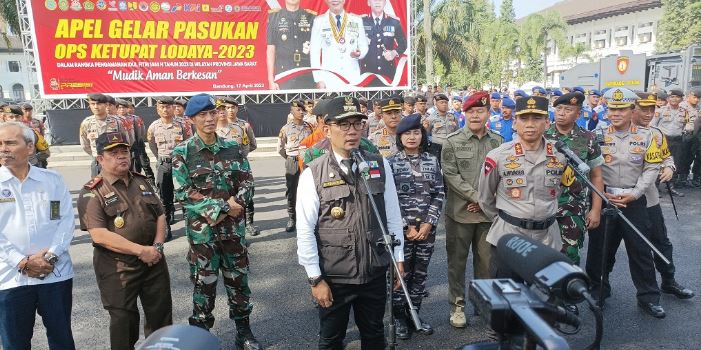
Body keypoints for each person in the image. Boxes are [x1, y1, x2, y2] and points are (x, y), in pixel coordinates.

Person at [296, 95, 404, 349]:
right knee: (332, 339)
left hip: (374, 271)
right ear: (327, 129)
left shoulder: (379, 164)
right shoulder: (314, 172)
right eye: (344, 125)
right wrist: (315, 278)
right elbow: (305, 231)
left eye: (357, 124)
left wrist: (398, 257)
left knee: (374, 334)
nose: (352, 131)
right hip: (335, 276)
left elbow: (393, 215)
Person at [171, 94, 261, 349]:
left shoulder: (232, 147)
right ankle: (200, 337)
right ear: (192, 119)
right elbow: (183, 192)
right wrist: (222, 208)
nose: (210, 118)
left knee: (239, 283)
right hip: (204, 237)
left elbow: (247, 182)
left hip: (233, 232)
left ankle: (244, 333)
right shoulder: (182, 153)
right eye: (203, 115)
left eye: (213, 113)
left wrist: (237, 205)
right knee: (204, 286)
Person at [77, 132, 172, 350]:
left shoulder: (141, 181)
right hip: (118, 266)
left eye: (124, 151)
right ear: (100, 158)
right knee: (124, 322)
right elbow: (99, 234)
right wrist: (141, 251)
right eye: (114, 153)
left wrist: (156, 247)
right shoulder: (92, 191)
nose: (122, 157)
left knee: (161, 318)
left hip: (153, 260)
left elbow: (159, 214)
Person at [584, 88, 666, 318]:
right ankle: (598, 291)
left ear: (632, 110)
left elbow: (652, 168)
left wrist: (636, 193)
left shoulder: (648, 136)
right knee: (600, 249)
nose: (616, 113)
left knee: (640, 249)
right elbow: (592, 170)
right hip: (605, 200)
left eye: (621, 109)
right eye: (612, 109)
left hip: (634, 200)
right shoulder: (596, 134)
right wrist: (600, 197)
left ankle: (649, 297)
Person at [0, 122, 76, 350]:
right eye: (0, 144)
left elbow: (65, 221)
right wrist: (22, 262)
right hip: (10, 278)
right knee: (15, 343)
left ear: (30, 147)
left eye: (11, 143)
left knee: (61, 339)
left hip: (55, 274)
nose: (3, 149)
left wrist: (50, 256)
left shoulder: (52, 180)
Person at [478, 96, 568, 274]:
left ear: (547, 123)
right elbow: (485, 198)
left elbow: (558, 191)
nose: (530, 124)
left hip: (547, 239)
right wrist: (508, 219)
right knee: (507, 296)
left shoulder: (560, 156)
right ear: (514, 123)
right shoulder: (498, 156)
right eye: (524, 118)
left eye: (537, 118)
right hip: (509, 237)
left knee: (544, 298)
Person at [442, 91, 503, 328]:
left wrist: (485, 201)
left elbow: (504, 175)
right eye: (471, 111)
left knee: (487, 264)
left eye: (480, 111)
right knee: (456, 264)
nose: (475, 115)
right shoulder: (452, 141)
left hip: (488, 216)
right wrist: (479, 197)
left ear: (488, 113)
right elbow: (451, 175)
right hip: (459, 214)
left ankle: (483, 303)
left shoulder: (498, 142)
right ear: (464, 113)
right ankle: (457, 307)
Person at [632, 92, 694, 300]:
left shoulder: (657, 133)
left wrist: (670, 168)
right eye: (644, 109)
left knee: (661, 242)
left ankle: (668, 281)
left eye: (652, 109)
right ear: (632, 109)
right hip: (621, 200)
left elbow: (666, 156)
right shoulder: (612, 133)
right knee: (621, 247)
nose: (650, 113)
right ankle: (600, 289)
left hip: (650, 199)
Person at [387, 114, 444, 339]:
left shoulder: (432, 160)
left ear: (422, 135)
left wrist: (429, 223)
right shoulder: (391, 163)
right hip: (402, 231)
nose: (412, 137)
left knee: (420, 275)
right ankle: (400, 317)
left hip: (426, 231)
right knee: (400, 276)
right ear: (400, 137)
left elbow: (439, 193)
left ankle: (415, 314)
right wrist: (404, 227)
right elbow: (389, 201)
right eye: (407, 133)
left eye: (416, 132)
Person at [544, 92, 605, 267]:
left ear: (578, 114)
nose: (562, 113)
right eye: (559, 108)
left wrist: (595, 210)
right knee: (542, 254)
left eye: (568, 109)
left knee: (569, 256)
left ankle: (566, 292)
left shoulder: (588, 139)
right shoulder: (542, 137)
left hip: (573, 209)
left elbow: (597, 176)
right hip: (543, 206)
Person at [147, 96, 193, 240]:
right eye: (162, 107)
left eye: (168, 106)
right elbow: (152, 144)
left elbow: (189, 143)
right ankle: (166, 227)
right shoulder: (154, 126)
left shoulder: (183, 124)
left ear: (173, 108)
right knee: (164, 197)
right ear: (157, 109)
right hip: (164, 164)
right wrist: (162, 158)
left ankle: (190, 226)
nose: (165, 110)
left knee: (185, 194)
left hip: (181, 164)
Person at [217, 97, 260, 236]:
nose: (226, 111)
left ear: (236, 108)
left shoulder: (242, 127)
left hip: (240, 169)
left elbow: (250, 145)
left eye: (228, 108)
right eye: (223, 108)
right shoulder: (212, 129)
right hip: (221, 172)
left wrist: (240, 158)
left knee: (245, 197)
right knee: (226, 200)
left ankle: (248, 225)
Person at [310, 0, 369, 89]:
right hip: (329, 80)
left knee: (352, 103)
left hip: (352, 78)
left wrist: (359, 53)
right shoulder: (319, 21)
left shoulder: (356, 20)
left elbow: (364, 46)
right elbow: (314, 52)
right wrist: (318, 79)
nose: (335, 1)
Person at [278, 100, 314, 232]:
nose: (300, 112)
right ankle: (292, 218)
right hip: (293, 160)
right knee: (292, 191)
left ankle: (310, 218)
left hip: (307, 162)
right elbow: (280, 148)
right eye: (297, 110)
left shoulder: (309, 127)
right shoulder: (285, 128)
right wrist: (291, 158)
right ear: (292, 112)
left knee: (310, 189)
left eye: (302, 109)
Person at [266, 0, 317, 90]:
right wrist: (270, 79)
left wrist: (319, 78)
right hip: (283, 76)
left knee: (307, 104)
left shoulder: (311, 17)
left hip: (306, 75)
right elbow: (270, 50)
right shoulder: (274, 17)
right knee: (285, 104)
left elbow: (318, 50)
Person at [80, 93, 129, 176]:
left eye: (99, 104)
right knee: (97, 186)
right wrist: (97, 155)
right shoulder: (86, 123)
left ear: (106, 105)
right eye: (92, 104)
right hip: (97, 161)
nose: (95, 107)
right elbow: (85, 145)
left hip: (115, 161)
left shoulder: (117, 122)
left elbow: (127, 140)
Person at [652, 89, 691, 193]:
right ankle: (655, 187)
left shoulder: (684, 111)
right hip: (663, 140)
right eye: (672, 97)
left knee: (675, 163)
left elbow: (687, 125)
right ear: (668, 99)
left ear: (681, 99)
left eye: (677, 97)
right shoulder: (660, 111)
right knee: (658, 162)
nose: (674, 99)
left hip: (677, 141)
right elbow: (653, 126)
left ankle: (671, 187)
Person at [360, 0, 407, 84]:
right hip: (367, 76)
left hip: (388, 75)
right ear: (368, 2)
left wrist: (394, 52)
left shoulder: (394, 22)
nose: (378, 2)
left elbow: (403, 44)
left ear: (385, 2)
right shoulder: (361, 22)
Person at [116, 99, 154, 179]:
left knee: (141, 165)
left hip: (136, 146)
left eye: (124, 108)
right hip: (120, 148)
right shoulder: (113, 120)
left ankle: (150, 183)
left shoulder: (134, 119)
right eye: (119, 108)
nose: (122, 110)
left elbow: (141, 132)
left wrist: (135, 144)